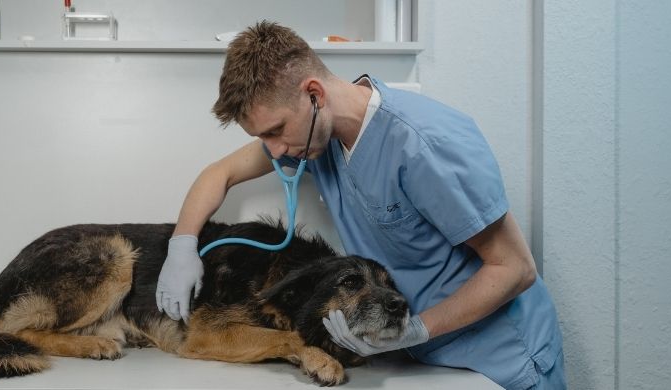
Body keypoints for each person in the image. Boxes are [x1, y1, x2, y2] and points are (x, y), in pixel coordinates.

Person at [155, 21, 565, 390]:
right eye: (265, 138)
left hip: (499, 360)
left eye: (277, 131)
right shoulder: (317, 138)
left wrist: (419, 329)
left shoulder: (424, 146)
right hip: (417, 359)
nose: (276, 151)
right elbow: (219, 174)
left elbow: (515, 268)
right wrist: (182, 245)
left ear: (313, 94)